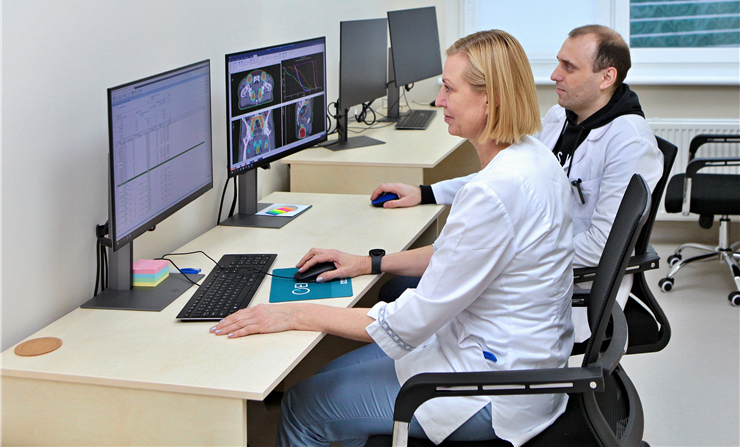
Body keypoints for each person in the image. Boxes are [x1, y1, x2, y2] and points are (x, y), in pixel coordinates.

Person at [211, 30, 575, 447]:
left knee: (302, 405)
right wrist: (370, 263)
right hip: (519, 361)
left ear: (489, 99)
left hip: (491, 389)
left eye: (449, 88)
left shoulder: (494, 192)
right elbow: (452, 254)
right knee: (324, 376)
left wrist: (295, 314)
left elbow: (408, 324)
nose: (438, 100)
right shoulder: (534, 155)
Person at [372, 24, 663, 343]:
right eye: (558, 62)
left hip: (564, 290)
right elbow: (510, 179)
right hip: (528, 268)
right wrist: (426, 192)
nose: (554, 75)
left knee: (403, 297)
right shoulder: (561, 118)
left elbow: (603, 248)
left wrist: (518, 256)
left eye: (569, 67)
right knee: (398, 290)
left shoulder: (630, 143)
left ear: (606, 77)